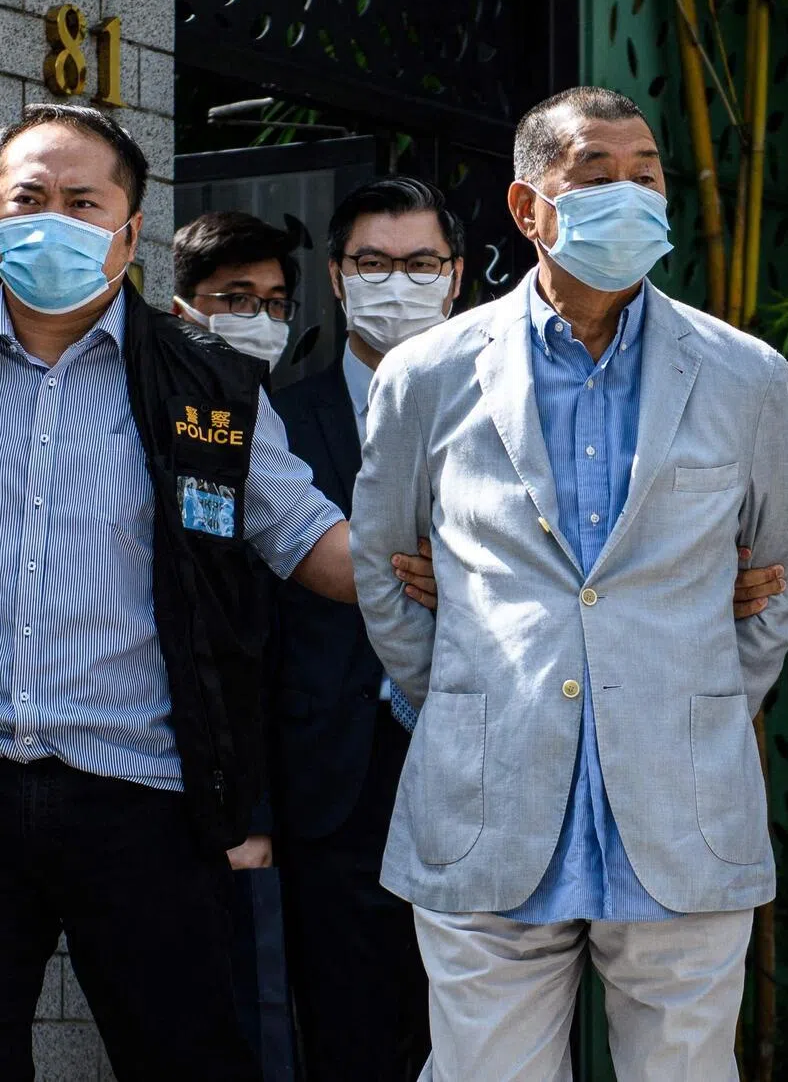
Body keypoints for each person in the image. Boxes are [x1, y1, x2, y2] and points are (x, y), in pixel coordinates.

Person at [350, 85, 788, 1081]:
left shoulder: (746, 375)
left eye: (646, 177)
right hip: (488, 795)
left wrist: (703, 693)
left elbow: (777, 575)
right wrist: (470, 690)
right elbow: (383, 568)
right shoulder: (426, 373)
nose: (630, 195)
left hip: (680, 794)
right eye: (595, 177)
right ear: (529, 208)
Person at [0, 103, 355, 1082]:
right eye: (28, 199)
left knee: (189, 1058)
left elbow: (312, 541)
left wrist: (483, 567)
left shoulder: (208, 386)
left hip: (142, 795)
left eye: (83, 201)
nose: (53, 222)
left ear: (127, 231)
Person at [270, 176, 464, 1081]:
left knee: (472, 1032)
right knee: (344, 1035)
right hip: (331, 776)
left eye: (420, 263)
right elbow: (253, 615)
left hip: (474, 767)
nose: (399, 283)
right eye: (374, 264)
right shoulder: (277, 416)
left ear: (456, 276)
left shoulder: (507, 410)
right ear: (339, 278)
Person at [171, 209, 309, 1080]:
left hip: (290, 781)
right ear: (185, 306)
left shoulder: (268, 418)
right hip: (189, 783)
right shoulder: (164, 405)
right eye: (235, 298)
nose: (259, 318)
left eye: (274, 301)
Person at [172, 210, 300, 372]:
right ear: (176, 308)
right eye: (240, 298)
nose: (263, 320)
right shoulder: (141, 391)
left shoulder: (274, 396)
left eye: (276, 302)